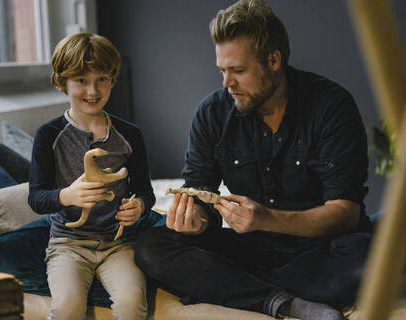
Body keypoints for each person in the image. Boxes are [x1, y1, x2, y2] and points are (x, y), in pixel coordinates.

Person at [134, 1, 372, 319]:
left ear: (273, 60)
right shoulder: (211, 113)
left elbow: (345, 213)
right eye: (223, 70)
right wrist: (196, 221)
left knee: (368, 257)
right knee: (152, 245)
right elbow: (200, 197)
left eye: (238, 71)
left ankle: (231, 288)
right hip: (248, 247)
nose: (226, 82)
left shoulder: (331, 106)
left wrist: (266, 218)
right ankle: (283, 302)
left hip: (316, 247)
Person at [28, 32, 155, 320]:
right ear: (62, 82)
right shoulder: (48, 135)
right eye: (81, 81)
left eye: (102, 79)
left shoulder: (131, 135)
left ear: (112, 79)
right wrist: (67, 195)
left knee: (132, 303)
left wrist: (140, 207)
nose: (93, 90)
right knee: (68, 307)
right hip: (67, 245)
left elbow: (145, 192)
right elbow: (36, 197)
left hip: (119, 244)